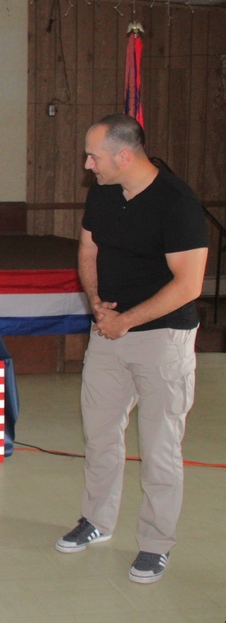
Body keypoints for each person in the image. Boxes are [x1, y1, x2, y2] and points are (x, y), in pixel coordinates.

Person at [55, 114, 208, 584]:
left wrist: (127, 320)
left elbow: (189, 285)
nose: (87, 164)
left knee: (161, 448)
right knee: (100, 435)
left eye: (93, 156)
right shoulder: (102, 192)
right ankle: (97, 521)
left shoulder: (177, 203)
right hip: (109, 333)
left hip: (163, 339)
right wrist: (97, 303)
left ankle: (156, 544)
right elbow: (88, 251)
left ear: (124, 156)